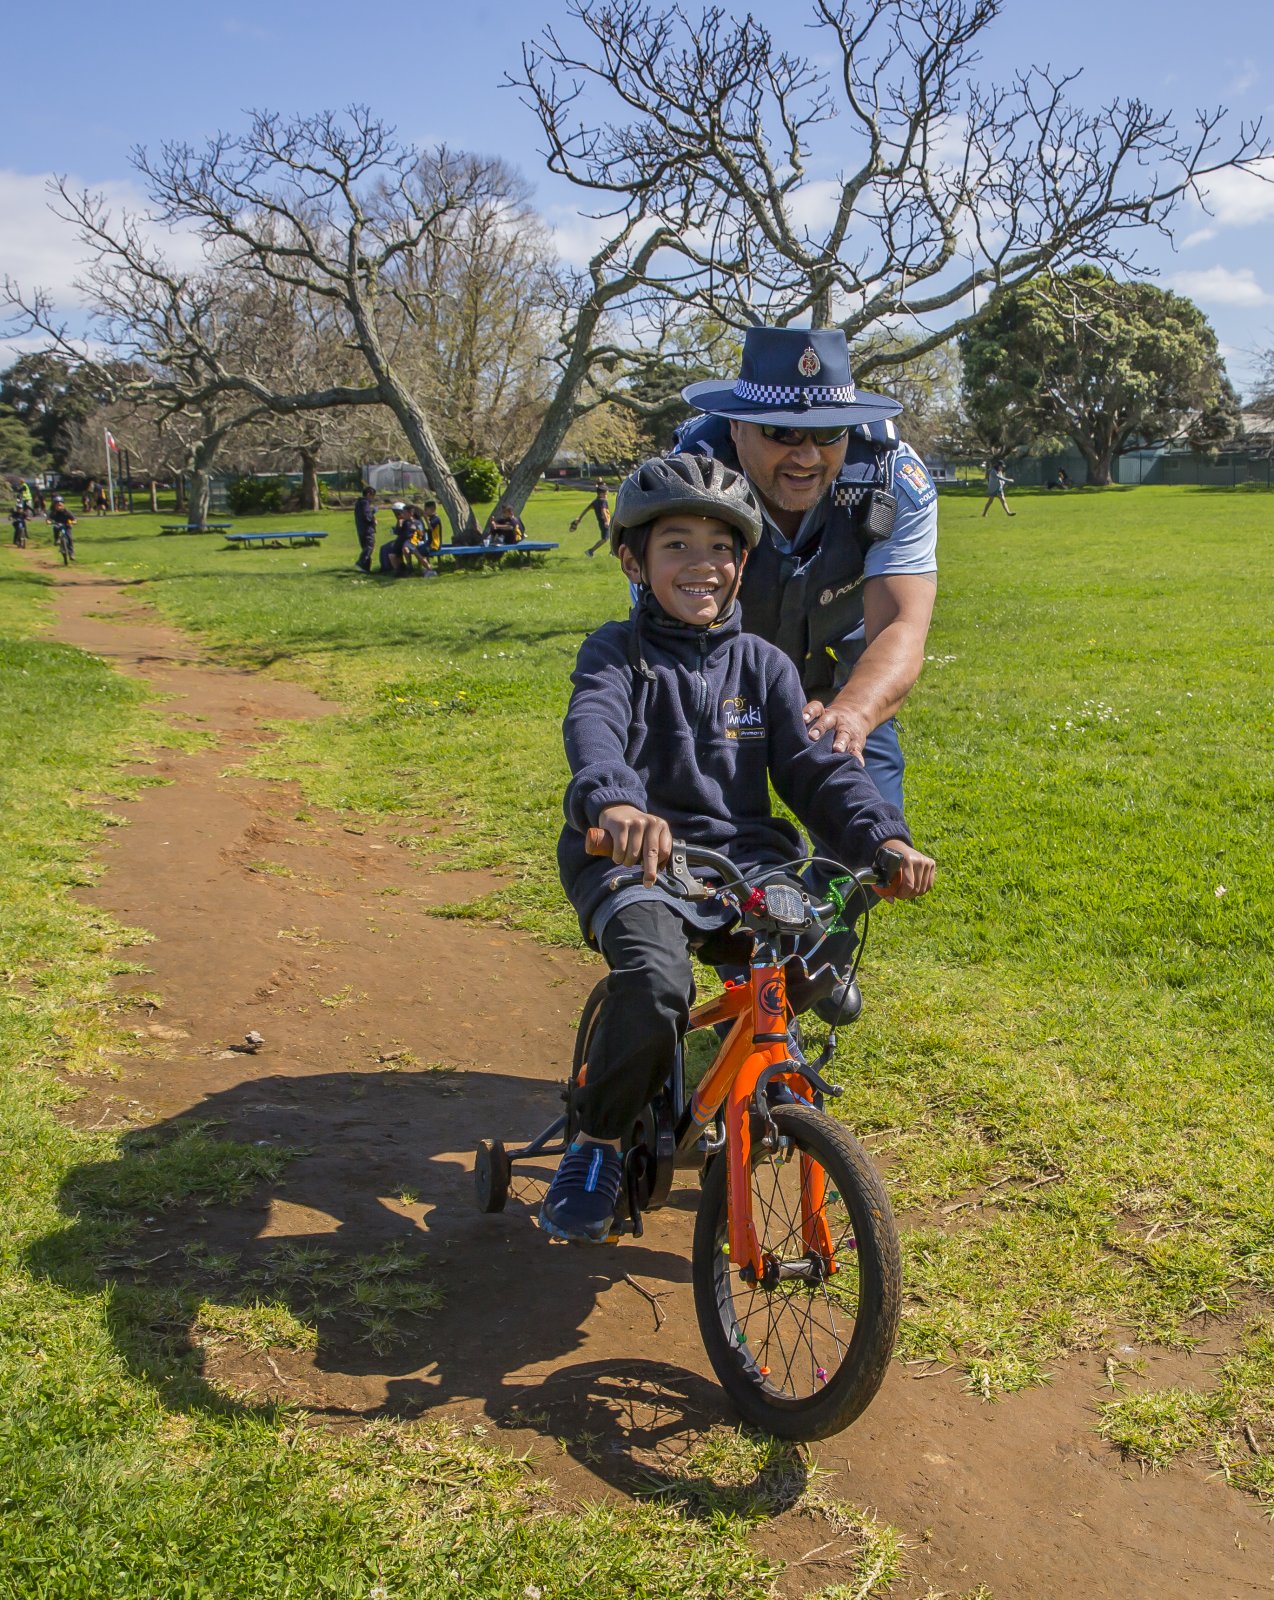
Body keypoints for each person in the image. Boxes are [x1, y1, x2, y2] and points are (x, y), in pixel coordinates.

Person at [541, 454, 936, 1244]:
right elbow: (594, 730)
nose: (703, 565)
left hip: (741, 865)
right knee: (657, 985)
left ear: (743, 563)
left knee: (817, 947)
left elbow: (819, 770)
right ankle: (599, 1141)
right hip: (635, 861)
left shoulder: (764, 665)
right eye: (676, 546)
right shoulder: (616, 654)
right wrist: (617, 805)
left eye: (720, 547)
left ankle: (759, 1069)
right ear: (633, 562)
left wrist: (882, 837)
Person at [673, 327, 938, 1020]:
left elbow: (901, 626)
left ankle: (813, 955)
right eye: (781, 432)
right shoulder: (686, 475)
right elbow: (674, 631)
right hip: (721, 663)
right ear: (735, 425)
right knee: (717, 831)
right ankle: (745, 985)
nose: (807, 454)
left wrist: (852, 713)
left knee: (870, 834)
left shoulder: (892, 472)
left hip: (843, 671)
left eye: (827, 434)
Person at [570, 479, 611, 555]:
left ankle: (613, 551)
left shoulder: (595, 501)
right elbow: (603, 511)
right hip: (605, 522)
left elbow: (586, 510)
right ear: (602, 494)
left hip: (601, 522)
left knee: (613, 535)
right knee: (605, 539)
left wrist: (579, 518)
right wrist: (606, 521)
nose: (607, 495)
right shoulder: (603, 501)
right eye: (606, 494)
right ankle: (590, 551)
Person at [353, 485, 378, 572]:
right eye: (372, 496)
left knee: (365, 547)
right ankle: (361, 562)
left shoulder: (359, 502)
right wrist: (373, 512)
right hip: (367, 529)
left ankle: (365, 568)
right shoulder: (365, 503)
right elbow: (367, 517)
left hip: (361, 529)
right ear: (368, 494)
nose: (373, 498)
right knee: (369, 546)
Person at [48, 495, 76, 559]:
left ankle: (71, 553)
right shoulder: (53, 512)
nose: (58, 506)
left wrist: (73, 522)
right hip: (58, 525)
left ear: (63, 505)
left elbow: (74, 519)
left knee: (70, 538)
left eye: (60, 505)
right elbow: (48, 519)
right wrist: (49, 521)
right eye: (57, 505)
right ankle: (56, 539)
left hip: (67, 526)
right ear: (54, 506)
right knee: (55, 528)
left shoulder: (67, 512)